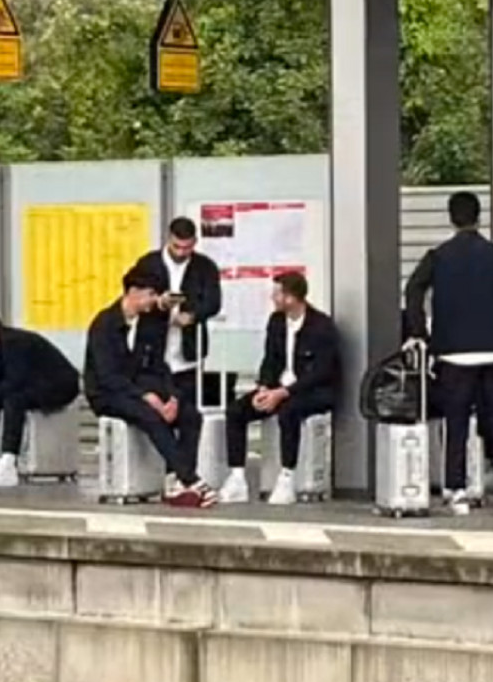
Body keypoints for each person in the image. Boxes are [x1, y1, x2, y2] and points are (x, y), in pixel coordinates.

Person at [405, 190, 493, 517]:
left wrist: (421, 333)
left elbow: (413, 289)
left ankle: (457, 491)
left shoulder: (439, 256)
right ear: (479, 217)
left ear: (451, 217)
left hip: (454, 353)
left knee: (456, 422)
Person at [83, 268, 216, 509]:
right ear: (133, 292)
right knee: (152, 416)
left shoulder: (149, 323)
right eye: (151, 294)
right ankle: (191, 479)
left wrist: (171, 396)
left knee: (190, 415)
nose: (155, 300)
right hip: (108, 393)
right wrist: (147, 398)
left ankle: (176, 479)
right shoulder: (104, 325)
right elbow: (107, 376)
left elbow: (158, 365)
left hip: (141, 387)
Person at [218, 272, 339, 506]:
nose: (273, 298)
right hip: (278, 388)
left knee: (288, 412)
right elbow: (270, 359)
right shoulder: (276, 321)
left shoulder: (321, 326)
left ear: (292, 297)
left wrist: (283, 393)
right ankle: (237, 478)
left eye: (277, 293)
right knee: (236, 411)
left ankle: (286, 477)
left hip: (311, 392)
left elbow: (321, 372)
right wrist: (263, 387)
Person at [130, 217, 222, 487]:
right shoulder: (148, 263)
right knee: (161, 412)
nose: (182, 253)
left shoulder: (205, 267)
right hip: (154, 351)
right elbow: (131, 293)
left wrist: (192, 316)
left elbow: (214, 302)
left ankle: (183, 473)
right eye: (177, 247)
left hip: (188, 352)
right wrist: (158, 303)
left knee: (187, 412)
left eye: (188, 248)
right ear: (168, 239)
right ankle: (170, 472)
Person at [0, 308, 80, 489]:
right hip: (31, 384)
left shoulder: (15, 343)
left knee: (13, 399)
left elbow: (16, 381)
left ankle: (8, 463)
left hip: (58, 385)